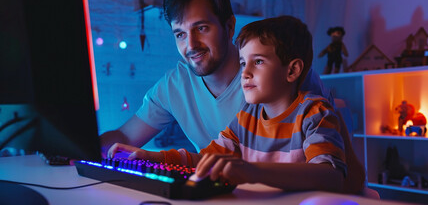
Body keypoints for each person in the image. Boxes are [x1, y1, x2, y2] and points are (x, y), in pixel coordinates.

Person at [108, 16, 366, 194]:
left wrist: (253, 172)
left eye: (259, 62)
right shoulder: (246, 117)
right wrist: (153, 158)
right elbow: (207, 159)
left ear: (292, 70)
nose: (245, 73)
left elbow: (330, 177)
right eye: (243, 63)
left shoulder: (315, 113)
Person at [100, 0, 334, 156]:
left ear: (229, 27)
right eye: (180, 34)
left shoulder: (279, 77)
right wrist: (77, 149)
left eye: (202, 28)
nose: (191, 45)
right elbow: (125, 137)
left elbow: (336, 159)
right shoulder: (174, 85)